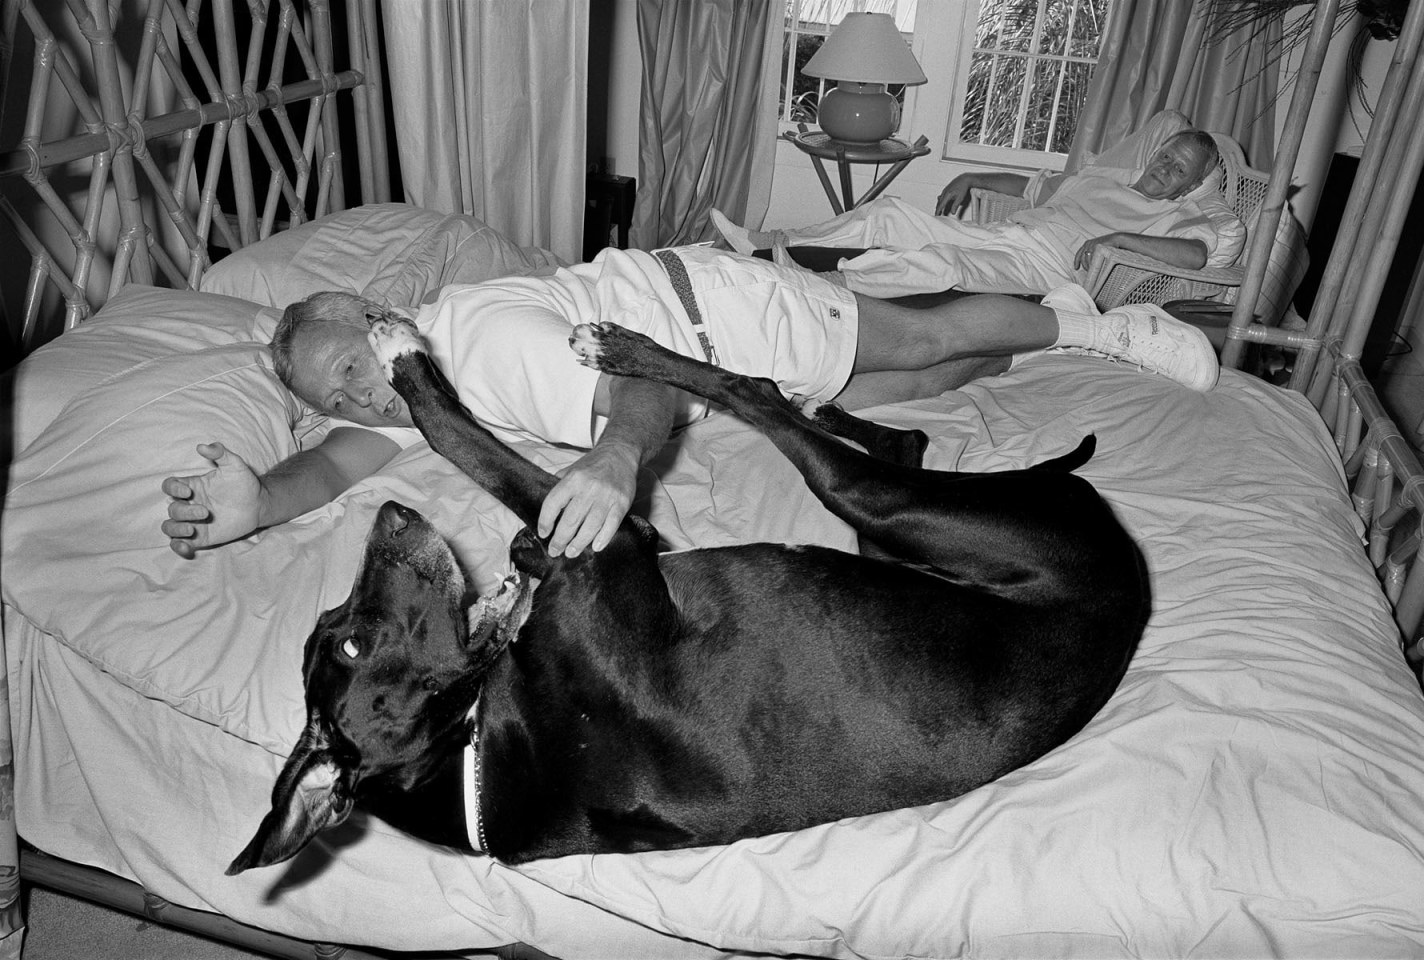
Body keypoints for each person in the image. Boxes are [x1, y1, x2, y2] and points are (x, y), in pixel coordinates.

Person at [161, 245, 1218, 562]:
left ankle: (1099, 325)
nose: (359, 398)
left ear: (383, 316)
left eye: (353, 366)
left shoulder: (482, 344)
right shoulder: (399, 388)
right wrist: (259, 499)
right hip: (711, 378)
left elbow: (637, 384)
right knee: (936, 382)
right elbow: (338, 460)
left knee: (927, 335)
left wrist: (616, 461)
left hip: (720, 322)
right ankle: (1042, 326)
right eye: (332, 392)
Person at [710, 126, 1246, 300]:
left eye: (1180, 170)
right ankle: (765, 242)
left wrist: (1123, 241)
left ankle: (807, 279)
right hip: (1006, 234)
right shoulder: (1105, 179)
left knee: (942, 264)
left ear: (1195, 183)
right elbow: (1032, 184)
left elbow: (1198, 255)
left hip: (1046, 270)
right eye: (1164, 155)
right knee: (890, 211)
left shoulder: (1181, 215)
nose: (1164, 170)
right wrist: (971, 176)